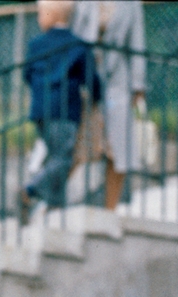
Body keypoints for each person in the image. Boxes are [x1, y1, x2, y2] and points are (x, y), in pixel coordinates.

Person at [20, 0, 101, 223]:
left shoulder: (36, 45)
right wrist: (97, 98)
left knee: (56, 156)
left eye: (40, 13)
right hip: (65, 111)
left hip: (39, 111)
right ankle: (30, 190)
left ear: (52, 16)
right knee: (63, 159)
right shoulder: (78, 46)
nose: (38, 18)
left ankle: (56, 209)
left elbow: (27, 74)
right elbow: (91, 79)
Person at [69, 0, 146, 210]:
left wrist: (138, 86)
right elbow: (74, 36)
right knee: (76, 143)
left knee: (118, 147)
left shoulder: (131, 5)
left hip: (117, 81)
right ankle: (49, 199)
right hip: (86, 77)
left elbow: (137, 42)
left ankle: (110, 210)